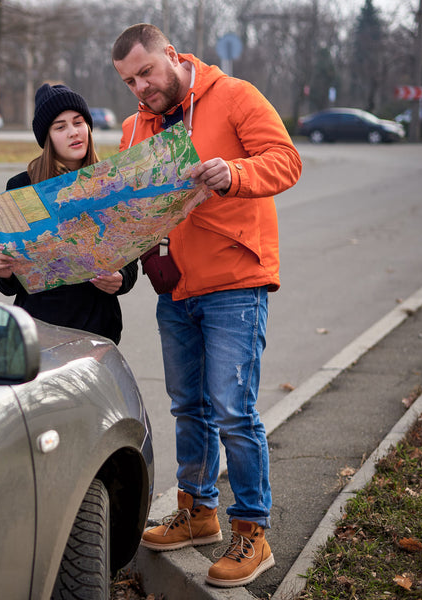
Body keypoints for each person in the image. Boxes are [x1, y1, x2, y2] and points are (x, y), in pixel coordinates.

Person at [111, 24, 302, 587]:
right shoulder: (133, 130)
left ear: (172, 55)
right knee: (187, 407)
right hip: (175, 287)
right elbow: (128, 212)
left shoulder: (235, 95)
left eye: (146, 72)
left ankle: (252, 530)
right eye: (128, 81)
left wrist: (234, 173)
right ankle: (198, 511)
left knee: (232, 409)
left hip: (235, 283)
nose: (141, 87)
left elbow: (286, 161)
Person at [0, 83, 138, 344]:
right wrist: (3, 272)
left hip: (97, 329)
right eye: (60, 127)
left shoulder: (110, 183)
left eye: (78, 122)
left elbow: (129, 263)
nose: (73, 133)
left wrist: (120, 279)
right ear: (47, 137)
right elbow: (11, 283)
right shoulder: (22, 187)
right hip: (38, 329)